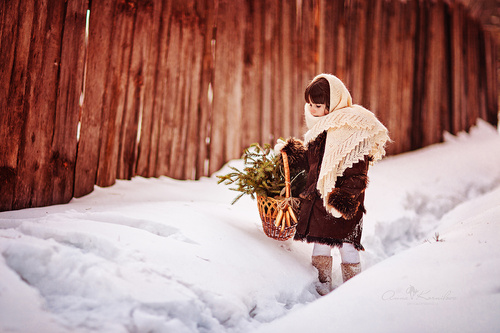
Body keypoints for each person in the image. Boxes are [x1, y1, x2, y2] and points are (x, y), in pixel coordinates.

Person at [275, 74, 390, 295]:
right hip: (320, 200)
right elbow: (313, 162)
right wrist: (292, 152)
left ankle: (353, 287)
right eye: (309, 104)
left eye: (317, 105)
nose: (311, 109)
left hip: (343, 202)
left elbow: (358, 172)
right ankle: (322, 286)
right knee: (321, 244)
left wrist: (344, 198)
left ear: (332, 103)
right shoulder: (320, 128)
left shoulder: (353, 130)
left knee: (348, 246)